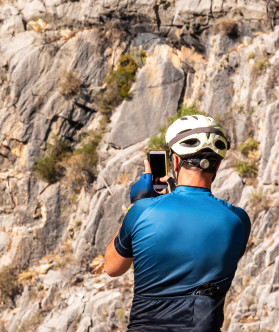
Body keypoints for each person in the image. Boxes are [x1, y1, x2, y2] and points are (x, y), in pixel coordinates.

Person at [102, 114, 251, 332]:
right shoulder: (238, 221)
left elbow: (112, 267)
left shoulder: (143, 211)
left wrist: (137, 205)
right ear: (217, 166)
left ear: (175, 161)